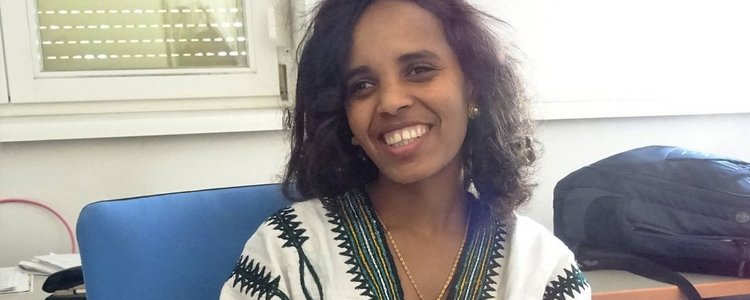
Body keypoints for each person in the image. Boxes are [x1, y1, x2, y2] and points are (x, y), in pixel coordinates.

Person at [221, 0, 591, 299]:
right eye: (362, 85)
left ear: (473, 89)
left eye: (418, 69)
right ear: (344, 115)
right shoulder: (291, 252)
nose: (391, 101)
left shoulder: (540, 267)